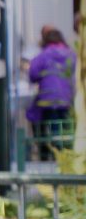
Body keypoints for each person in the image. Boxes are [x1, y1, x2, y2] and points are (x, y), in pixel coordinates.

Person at [27, 26, 76, 160]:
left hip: (48, 99)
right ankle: (65, 156)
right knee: (65, 129)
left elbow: (32, 74)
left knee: (51, 129)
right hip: (66, 99)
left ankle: (54, 157)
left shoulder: (43, 55)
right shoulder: (71, 54)